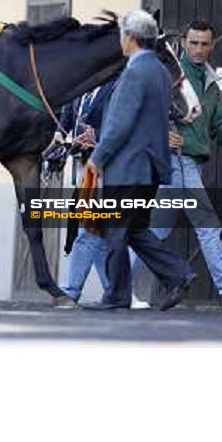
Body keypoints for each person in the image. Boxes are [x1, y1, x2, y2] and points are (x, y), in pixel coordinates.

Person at [146, 20, 222, 312]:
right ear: (184, 42)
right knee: (207, 225)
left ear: (212, 45)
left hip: (191, 164)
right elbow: (144, 109)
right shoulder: (172, 73)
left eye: (204, 44)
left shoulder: (210, 82)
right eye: (194, 43)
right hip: (177, 160)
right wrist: (161, 133)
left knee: (154, 232)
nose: (198, 49)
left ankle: (118, 286)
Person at [86, 10, 196, 310]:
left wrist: (97, 157)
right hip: (148, 167)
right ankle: (178, 274)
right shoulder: (159, 70)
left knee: (116, 230)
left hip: (128, 167)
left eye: (122, 35)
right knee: (134, 230)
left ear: (131, 38)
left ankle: (116, 296)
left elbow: (120, 123)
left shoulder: (135, 71)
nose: (121, 40)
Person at [53, 81, 151, 308]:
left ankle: (71, 291)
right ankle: (116, 291)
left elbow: (124, 124)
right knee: (97, 234)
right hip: (84, 165)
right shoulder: (82, 85)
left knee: (89, 232)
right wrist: (61, 134)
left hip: (108, 167)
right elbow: (69, 112)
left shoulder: (118, 86)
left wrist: (97, 136)